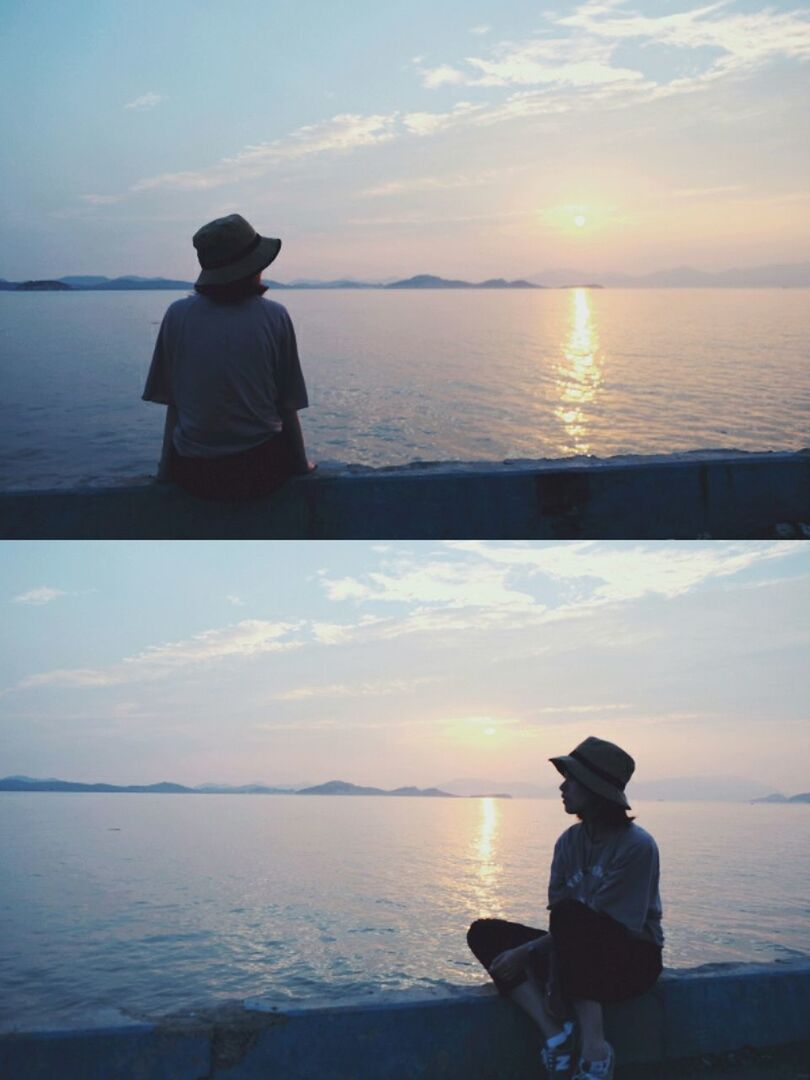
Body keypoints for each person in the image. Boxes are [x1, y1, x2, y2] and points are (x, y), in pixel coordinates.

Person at [467, 736, 663, 1080]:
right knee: (484, 933)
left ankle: (596, 1048)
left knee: (570, 918)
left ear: (595, 788)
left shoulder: (637, 847)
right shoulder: (568, 842)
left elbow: (609, 927)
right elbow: (564, 925)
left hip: (631, 960)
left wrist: (527, 955)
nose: (562, 786)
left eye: (571, 779)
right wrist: (554, 976)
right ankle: (556, 1035)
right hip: (576, 952)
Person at [143, 213, 315, 501]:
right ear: (253, 267)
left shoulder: (177, 315)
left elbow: (174, 404)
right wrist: (301, 466)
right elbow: (287, 405)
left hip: (194, 474)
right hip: (263, 471)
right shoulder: (274, 316)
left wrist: (165, 471)